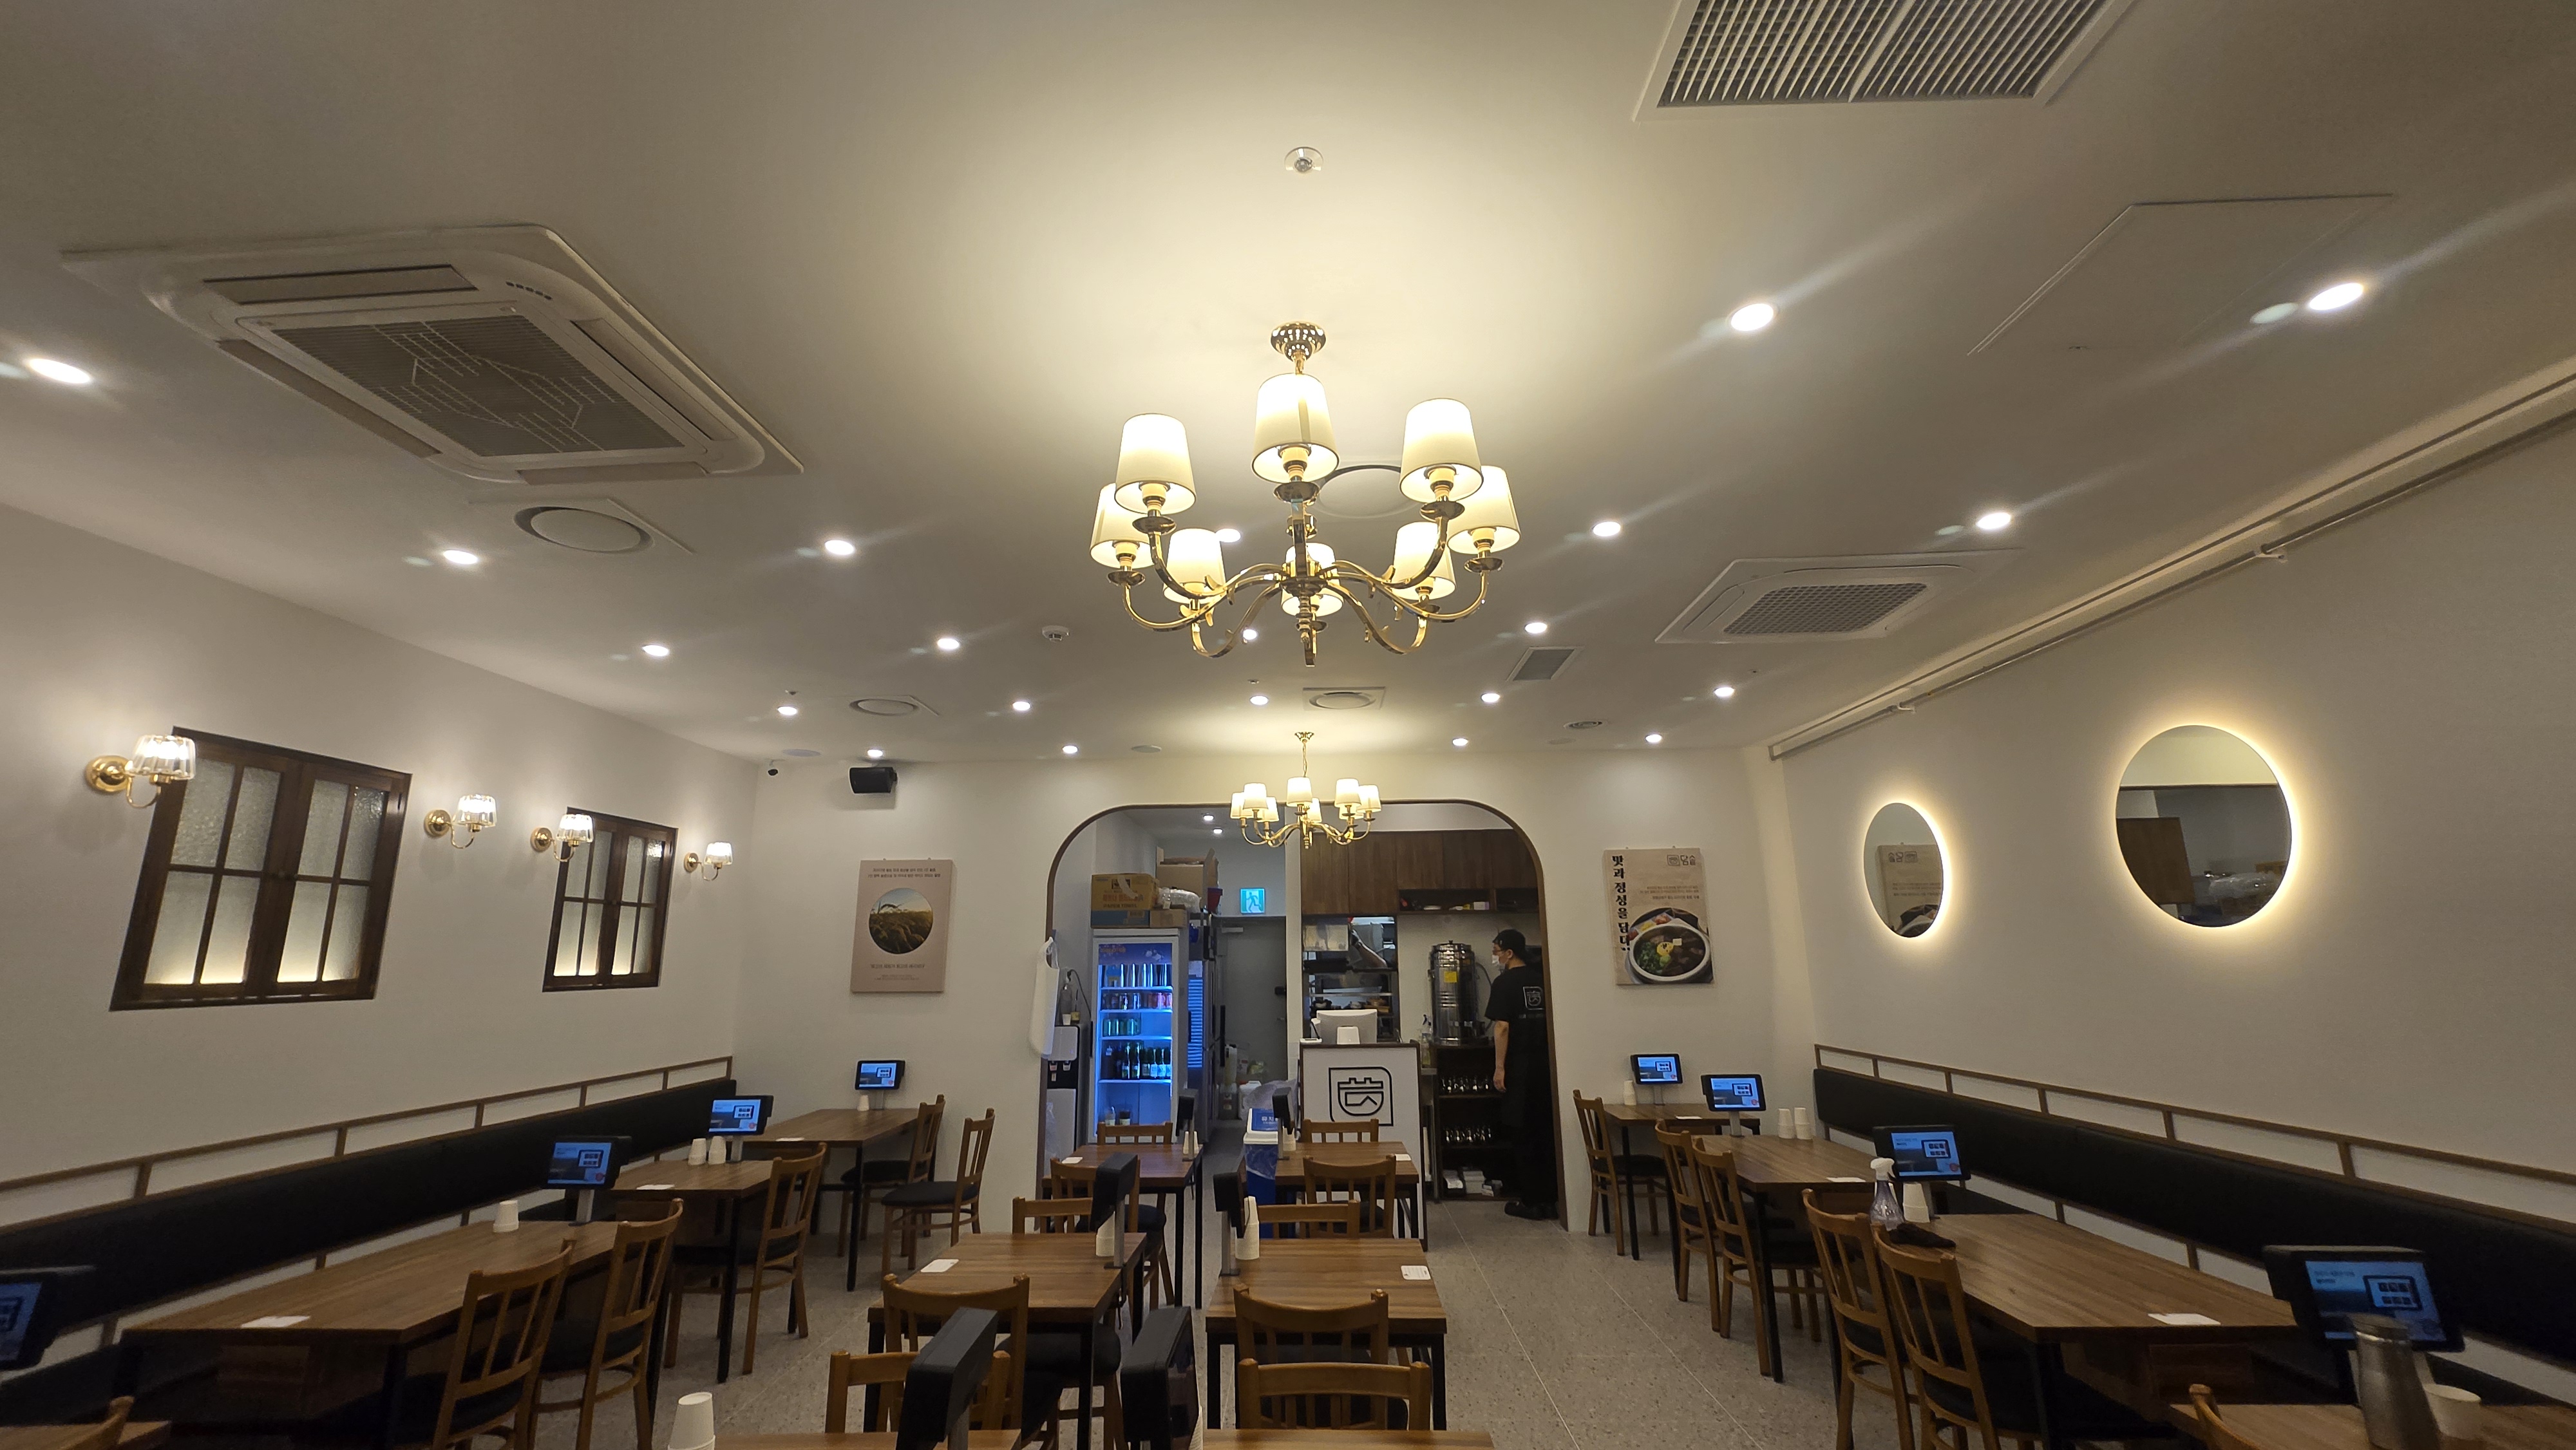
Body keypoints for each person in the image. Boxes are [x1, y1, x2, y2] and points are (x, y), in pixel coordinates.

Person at [1484, 929, 1557, 1220]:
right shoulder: (1542, 977)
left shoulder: (1505, 983)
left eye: (1496, 951)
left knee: (1522, 1133)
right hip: (1547, 1065)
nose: (1495, 956)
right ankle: (1551, 1199)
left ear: (1509, 952)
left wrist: (1499, 1067)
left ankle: (1531, 1201)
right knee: (1546, 1132)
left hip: (1521, 1067)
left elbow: (1502, 1027)